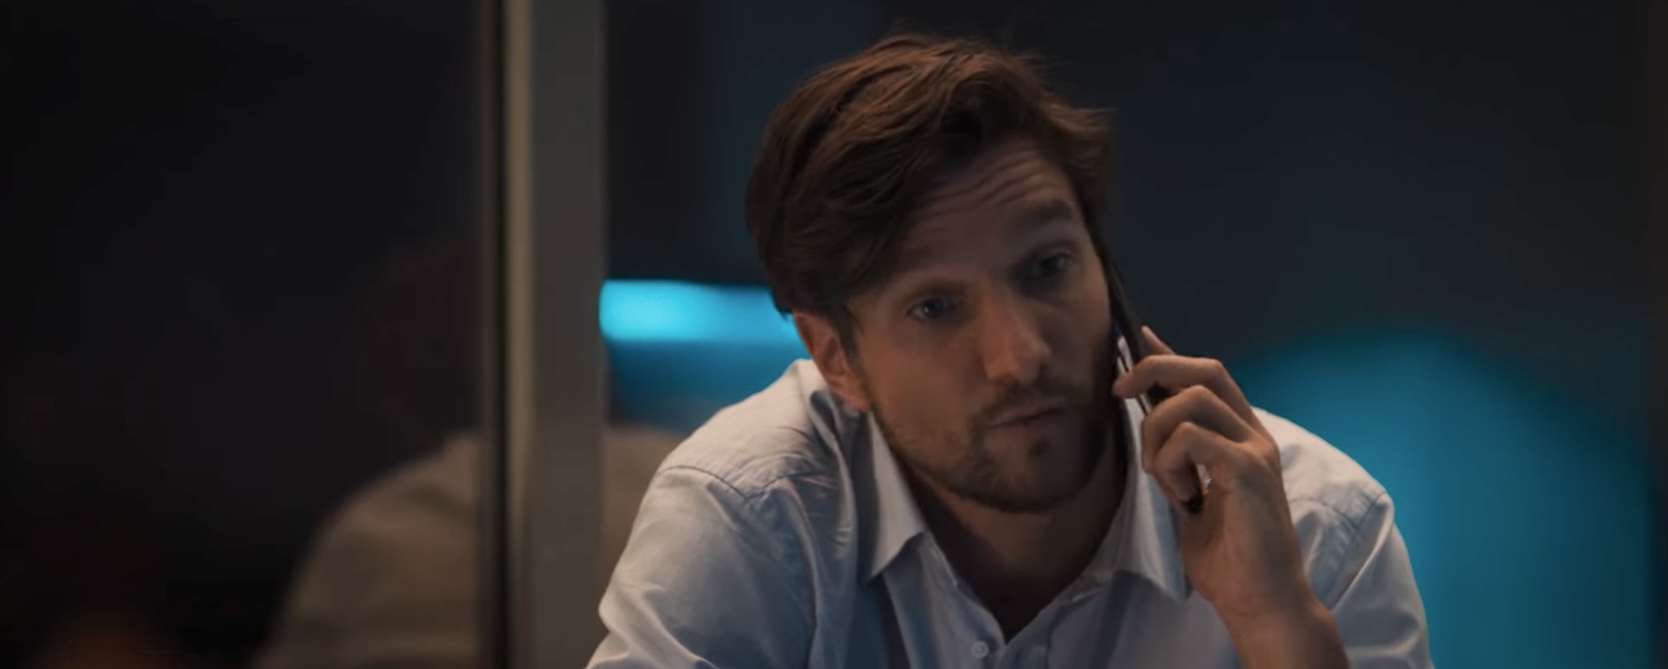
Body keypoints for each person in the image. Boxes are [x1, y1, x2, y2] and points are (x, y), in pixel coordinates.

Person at [589, 33, 1431, 668]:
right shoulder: (757, 514)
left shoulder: (1318, 529)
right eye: (934, 306)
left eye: (1047, 267)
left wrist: (1277, 626)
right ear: (836, 357)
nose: (1021, 355)